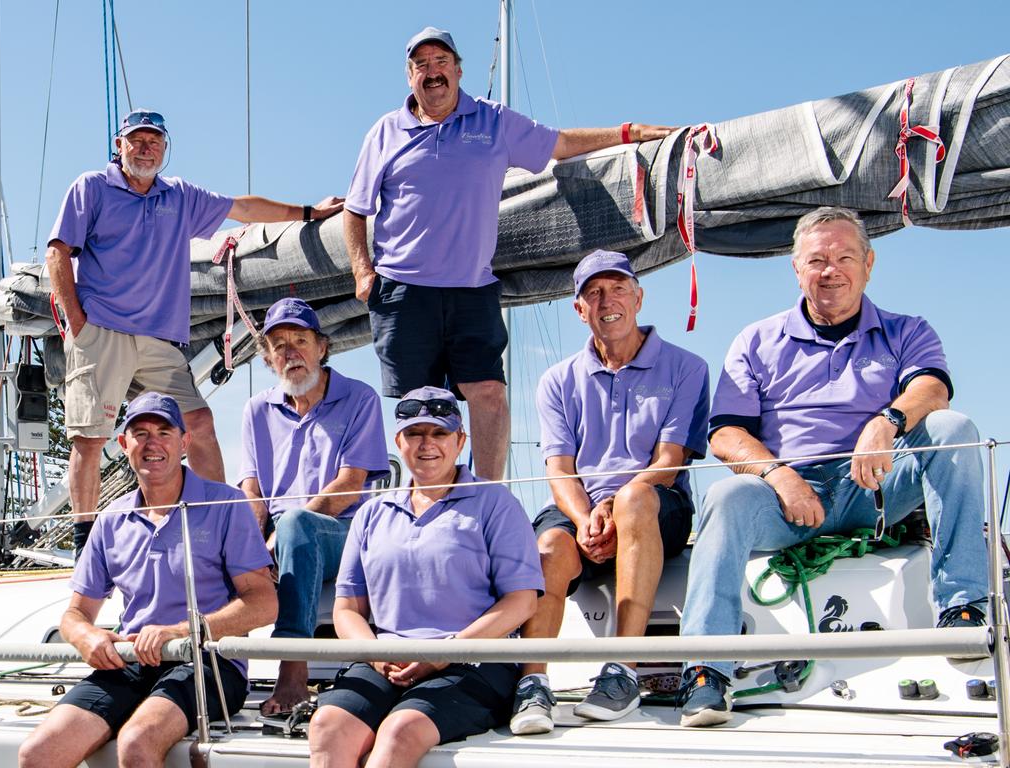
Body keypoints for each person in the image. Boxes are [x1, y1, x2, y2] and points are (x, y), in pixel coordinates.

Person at [677, 206, 989, 728]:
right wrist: (779, 475)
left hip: (878, 486)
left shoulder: (906, 330)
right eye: (817, 259)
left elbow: (931, 389)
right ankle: (707, 670)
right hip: (788, 497)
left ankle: (962, 609)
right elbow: (725, 434)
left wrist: (886, 421)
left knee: (954, 429)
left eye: (845, 257)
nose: (831, 270)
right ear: (795, 270)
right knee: (724, 497)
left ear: (868, 264)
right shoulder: (755, 341)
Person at [344, 26, 676, 481]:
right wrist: (364, 273)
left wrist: (628, 132)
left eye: (441, 62)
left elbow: (558, 144)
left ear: (459, 71)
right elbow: (356, 209)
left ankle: (488, 495)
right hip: (404, 290)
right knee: (418, 405)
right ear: (409, 77)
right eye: (421, 65)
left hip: (471, 288)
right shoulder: (384, 132)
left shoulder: (493, 122)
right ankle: (426, 498)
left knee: (488, 393)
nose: (433, 72)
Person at [46, 108, 343, 558]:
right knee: (91, 437)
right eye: (136, 140)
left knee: (199, 424)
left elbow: (243, 209)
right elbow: (58, 252)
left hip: (158, 339)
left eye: (154, 141)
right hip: (102, 331)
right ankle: (85, 542)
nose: (145, 148)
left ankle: (218, 527)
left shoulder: (179, 196)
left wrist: (306, 212)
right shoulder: (92, 188)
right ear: (118, 145)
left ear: (165, 148)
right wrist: (77, 324)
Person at [509, 250, 710, 735]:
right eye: (593, 293)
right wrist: (583, 521)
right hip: (583, 511)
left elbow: (668, 463)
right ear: (580, 310)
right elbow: (559, 470)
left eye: (618, 288)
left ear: (638, 297)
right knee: (550, 546)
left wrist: (614, 508)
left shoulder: (687, 367)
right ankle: (533, 685)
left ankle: (622, 670)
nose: (607, 301)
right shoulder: (557, 380)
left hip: (655, 502)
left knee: (634, 498)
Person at [18, 392, 276, 768]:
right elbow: (75, 613)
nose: (152, 443)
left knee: (137, 742)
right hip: (131, 662)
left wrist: (183, 631)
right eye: (140, 433)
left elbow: (264, 603)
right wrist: (86, 637)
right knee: (37, 753)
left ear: (184, 442)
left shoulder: (225, 506)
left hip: (211, 664)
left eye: (164, 431)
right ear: (124, 445)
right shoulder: (110, 520)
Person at [307, 386, 543, 768]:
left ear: (460, 440)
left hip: (474, 663)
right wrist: (378, 656)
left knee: (401, 730)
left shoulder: (495, 504)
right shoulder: (371, 513)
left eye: (439, 433)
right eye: (415, 433)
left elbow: (521, 601)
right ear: (398, 441)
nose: (426, 444)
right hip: (386, 660)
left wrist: (441, 654)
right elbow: (347, 608)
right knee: (327, 726)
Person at [238, 297, 390, 716]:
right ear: (268, 358)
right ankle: (212, 672)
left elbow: (349, 485)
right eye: (279, 345)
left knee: (295, 526)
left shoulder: (359, 398)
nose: (291, 353)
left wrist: (278, 535)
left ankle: (293, 669)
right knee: (207, 539)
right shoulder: (256, 410)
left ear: (321, 347)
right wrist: (251, 545)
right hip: (277, 535)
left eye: (300, 341)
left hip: (344, 532)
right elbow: (252, 489)